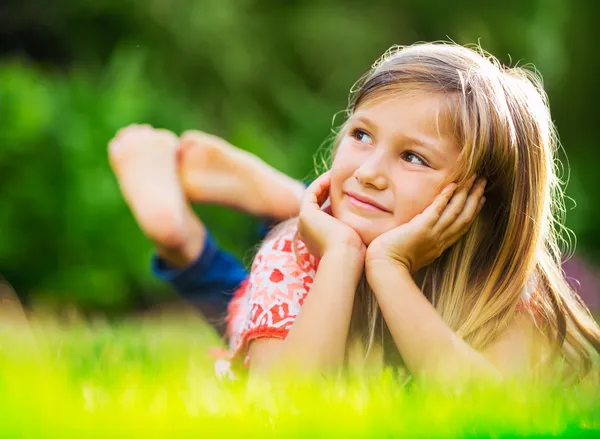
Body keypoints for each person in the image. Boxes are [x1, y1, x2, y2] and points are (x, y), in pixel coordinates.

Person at [109, 42, 600, 384]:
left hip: (363, 241)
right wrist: (342, 253)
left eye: (414, 157)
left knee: (325, 235)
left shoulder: (501, 295)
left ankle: (287, 198)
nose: (368, 170)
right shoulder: (293, 258)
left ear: (482, 200)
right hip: (304, 269)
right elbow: (280, 408)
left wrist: (388, 268)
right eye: (360, 134)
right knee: (263, 293)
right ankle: (184, 239)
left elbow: (492, 415)